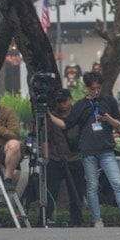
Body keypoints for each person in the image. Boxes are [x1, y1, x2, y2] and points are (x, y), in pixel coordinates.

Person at [64, 71, 120, 227]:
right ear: (88, 88)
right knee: (92, 185)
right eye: (92, 89)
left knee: (117, 183)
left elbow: (118, 124)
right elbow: (68, 123)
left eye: (98, 89)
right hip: (88, 151)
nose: (96, 92)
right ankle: (97, 219)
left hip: (106, 149)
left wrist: (107, 118)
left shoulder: (108, 101)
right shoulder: (81, 105)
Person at [44, 91, 86, 226]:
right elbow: (46, 138)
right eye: (59, 101)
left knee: (76, 193)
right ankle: (44, 219)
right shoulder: (52, 117)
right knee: (51, 192)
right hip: (56, 159)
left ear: (70, 100)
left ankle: (77, 221)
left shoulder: (77, 114)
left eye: (64, 101)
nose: (62, 104)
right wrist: (46, 158)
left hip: (74, 159)